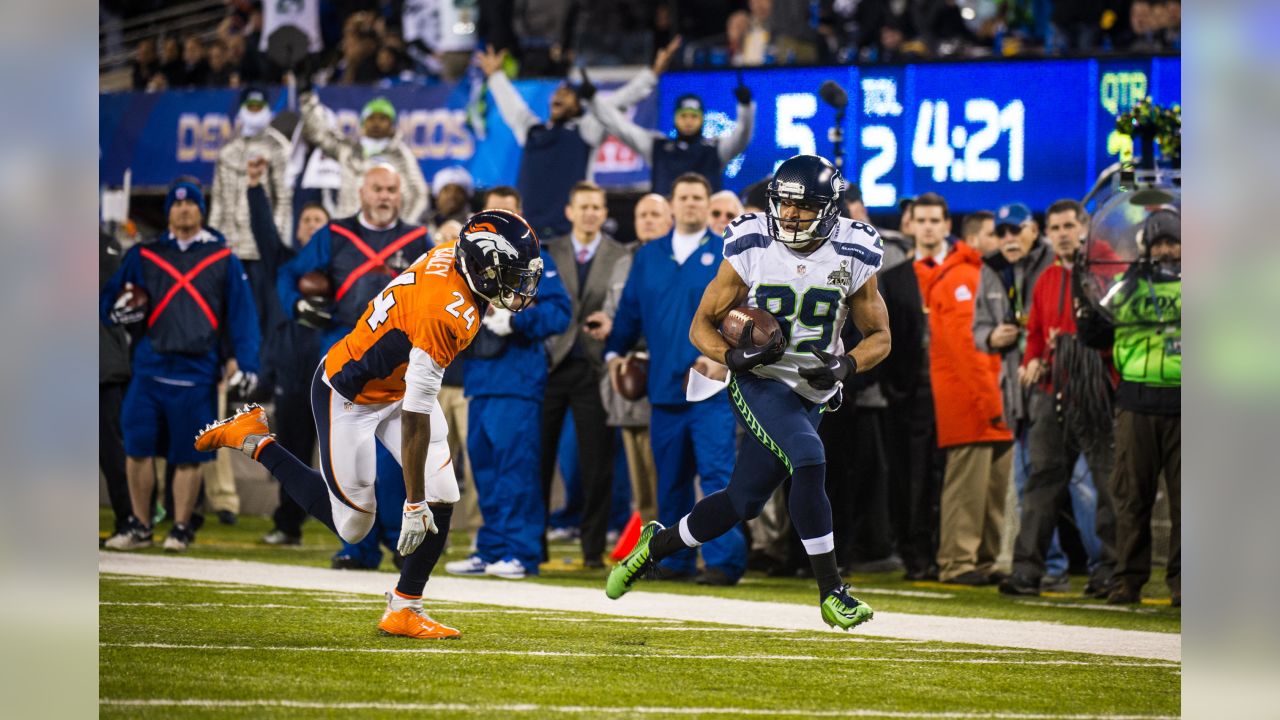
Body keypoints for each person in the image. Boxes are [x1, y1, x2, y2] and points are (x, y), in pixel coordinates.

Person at [195, 209, 546, 638]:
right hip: (350, 394)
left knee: (444, 492)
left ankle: (404, 607)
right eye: (507, 272)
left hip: (397, 385)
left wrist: (422, 500)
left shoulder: (454, 261)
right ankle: (255, 439)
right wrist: (412, 503)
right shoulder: (447, 312)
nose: (518, 284)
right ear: (480, 266)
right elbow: (417, 414)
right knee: (354, 527)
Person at [606, 155, 888, 631]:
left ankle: (653, 547)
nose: (791, 214)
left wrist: (847, 363)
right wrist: (731, 357)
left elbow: (880, 335)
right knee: (809, 456)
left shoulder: (854, 249)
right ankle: (832, 591)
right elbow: (702, 324)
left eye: (803, 206)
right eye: (784, 204)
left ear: (830, 208)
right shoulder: (753, 241)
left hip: (813, 390)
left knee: (743, 502)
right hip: (762, 380)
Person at [278, 164, 432, 569]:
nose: (385, 196)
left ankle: (405, 548)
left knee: (399, 460)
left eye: (392, 189)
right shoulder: (335, 234)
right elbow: (288, 275)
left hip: (399, 359)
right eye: (378, 188)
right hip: (345, 348)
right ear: (361, 193)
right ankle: (358, 547)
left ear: (402, 194)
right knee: (351, 459)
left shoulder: (419, 239)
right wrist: (297, 304)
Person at [101, 181, 261, 552]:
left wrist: (248, 362)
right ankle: (140, 525)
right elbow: (110, 296)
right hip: (148, 367)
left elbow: (243, 317)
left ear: (201, 211)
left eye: (191, 204)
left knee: (188, 456)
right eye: (177, 204)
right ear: (169, 211)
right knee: (137, 449)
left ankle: (182, 526)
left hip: (198, 370)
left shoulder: (222, 258)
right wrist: (113, 310)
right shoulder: (145, 254)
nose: (184, 210)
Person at [603, 173, 746, 586]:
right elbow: (629, 312)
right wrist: (614, 352)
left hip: (713, 387)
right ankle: (674, 558)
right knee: (671, 480)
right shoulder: (648, 256)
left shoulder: (727, 253)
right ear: (672, 203)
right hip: (664, 387)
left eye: (698, 197)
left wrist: (726, 357)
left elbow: (743, 314)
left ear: (706, 204)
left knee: (718, 477)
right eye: (683, 197)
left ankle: (724, 561)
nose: (691, 204)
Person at [446, 203, 572, 578]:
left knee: (514, 468)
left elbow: (560, 313)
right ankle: (492, 547)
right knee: (484, 468)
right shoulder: (471, 260)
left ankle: (521, 550)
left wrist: (517, 323)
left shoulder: (537, 259)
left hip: (517, 379)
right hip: (479, 378)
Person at [999, 199, 1117, 597]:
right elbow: (1033, 333)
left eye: (1069, 225)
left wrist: (1069, 347)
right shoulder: (1048, 279)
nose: (1063, 233)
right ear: (1047, 234)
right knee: (1042, 482)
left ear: (1085, 228)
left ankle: (1111, 571)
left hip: (1097, 391)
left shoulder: (1108, 270)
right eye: (1056, 227)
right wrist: (1032, 360)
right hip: (1051, 393)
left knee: (1107, 483)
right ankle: (1027, 571)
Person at [1078, 207, 1181, 606]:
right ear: (1146, 247)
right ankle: (1128, 580)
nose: (1168, 250)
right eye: (1160, 243)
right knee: (1131, 497)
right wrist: (1078, 278)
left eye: (1174, 241)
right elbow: (1093, 331)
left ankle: (1182, 583)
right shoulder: (1128, 285)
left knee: (1187, 503)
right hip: (1136, 400)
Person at [476, 41, 676, 239]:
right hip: (529, 234)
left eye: (568, 93)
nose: (560, 95)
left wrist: (652, 74)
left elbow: (619, 101)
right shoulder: (532, 130)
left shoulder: (586, 129)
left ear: (579, 105)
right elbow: (512, 106)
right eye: (558, 92)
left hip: (569, 235)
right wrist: (495, 76)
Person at [912, 193, 1013, 586]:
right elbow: (967, 351)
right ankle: (957, 560)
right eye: (994, 234)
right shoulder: (959, 279)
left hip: (992, 398)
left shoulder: (981, 275)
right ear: (974, 238)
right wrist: (992, 401)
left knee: (992, 490)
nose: (1002, 240)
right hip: (972, 400)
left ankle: (983, 559)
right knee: (967, 488)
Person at [539, 181, 630, 567]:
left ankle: (592, 551)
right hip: (551, 366)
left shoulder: (621, 254)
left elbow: (628, 305)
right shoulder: (548, 251)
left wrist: (612, 321)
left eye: (597, 206)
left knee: (597, 465)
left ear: (605, 213)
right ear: (569, 211)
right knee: (538, 460)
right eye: (584, 206)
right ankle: (533, 544)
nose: (590, 212)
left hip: (595, 369)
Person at [972, 201, 1058, 580]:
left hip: (1059, 385)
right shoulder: (992, 269)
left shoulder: (1057, 263)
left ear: (1033, 230)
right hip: (1017, 391)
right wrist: (992, 336)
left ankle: (1104, 565)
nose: (1008, 239)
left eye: (1015, 230)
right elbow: (978, 331)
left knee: (1083, 484)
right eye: (1001, 232)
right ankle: (1046, 565)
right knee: (1027, 483)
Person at [244, 156, 327, 546]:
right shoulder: (285, 262)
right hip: (293, 377)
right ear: (297, 229)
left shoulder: (340, 265)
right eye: (307, 220)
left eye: (319, 221)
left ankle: (353, 531)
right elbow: (262, 232)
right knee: (292, 453)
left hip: (334, 377)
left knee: (341, 459)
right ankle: (288, 524)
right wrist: (255, 187)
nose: (312, 226)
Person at [583, 194, 673, 523]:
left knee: (669, 470)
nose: (648, 220)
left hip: (664, 374)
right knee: (639, 475)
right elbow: (614, 312)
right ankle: (650, 546)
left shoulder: (677, 259)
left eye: (655, 214)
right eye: (642, 215)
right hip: (629, 377)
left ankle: (679, 542)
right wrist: (609, 327)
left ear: (669, 220)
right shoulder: (623, 262)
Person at [589, 84, 756, 196]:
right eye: (683, 116)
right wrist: (592, 100)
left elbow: (742, 137)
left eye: (693, 116)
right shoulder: (657, 146)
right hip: (665, 226)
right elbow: (620, 127)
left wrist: (745, 107)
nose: (688, 121)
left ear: (702, 119)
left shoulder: (715, 148)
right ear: (675, 119)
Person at [300, 94, 429, 223]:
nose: (376, 123)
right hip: (349, 230)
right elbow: (318, 135)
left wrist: (403, 227)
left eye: (383, 118)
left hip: (384, 231)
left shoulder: (400, 154)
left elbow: (418, 194)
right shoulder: (349, 150)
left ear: (391, 124)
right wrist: (308, 100)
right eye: (371, 118)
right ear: (363, 123)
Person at [209, 86, 293, 272]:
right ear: (242, 108)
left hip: (261, 250)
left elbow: (284, 199)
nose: (254, 111)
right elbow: (218, 201)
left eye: (259, 106)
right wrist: (213, 241)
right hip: (229, 247)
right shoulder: (227, 149)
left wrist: (275, 241)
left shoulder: (278, 147)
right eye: (250, 106)